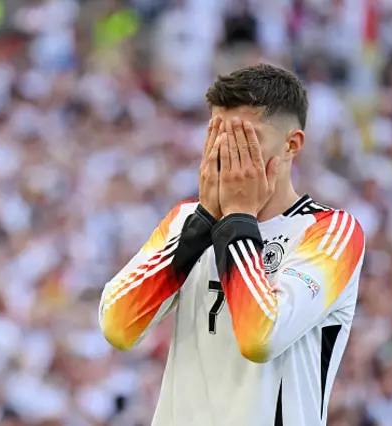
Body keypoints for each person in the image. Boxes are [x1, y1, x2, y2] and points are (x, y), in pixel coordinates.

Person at [99, 64, 365, 426]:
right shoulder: (186, 221)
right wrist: (205, 223)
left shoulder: (330, 232)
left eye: (246, 139)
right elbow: (117, 326)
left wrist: (238, 217)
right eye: (219, 136)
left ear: (291, 145)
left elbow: (260, 337)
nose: (229, 152)